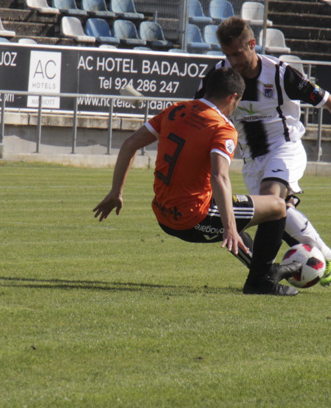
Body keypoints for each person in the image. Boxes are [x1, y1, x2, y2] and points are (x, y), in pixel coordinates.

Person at [197, 17, 331, 296]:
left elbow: (329, 101)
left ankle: (264, 278)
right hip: (252, 161)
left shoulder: (279, 73)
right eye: (227, 55)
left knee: (273, 200)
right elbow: (198, 113)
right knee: (281, 217)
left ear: (252, 45)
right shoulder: (220, 74)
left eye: (237, 54)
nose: (233, 61)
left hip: (284, 148)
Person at [94, 67, 301, 295]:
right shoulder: (222, 127)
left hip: (163, 215)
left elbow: (129, 144)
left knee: (232, 209)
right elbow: (219, 176)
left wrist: (116, 192)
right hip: (193, 220)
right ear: (233, 98)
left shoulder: (176, 109)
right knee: (277, 207)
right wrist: (229, 227)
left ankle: (262, 270)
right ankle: (261, 281)